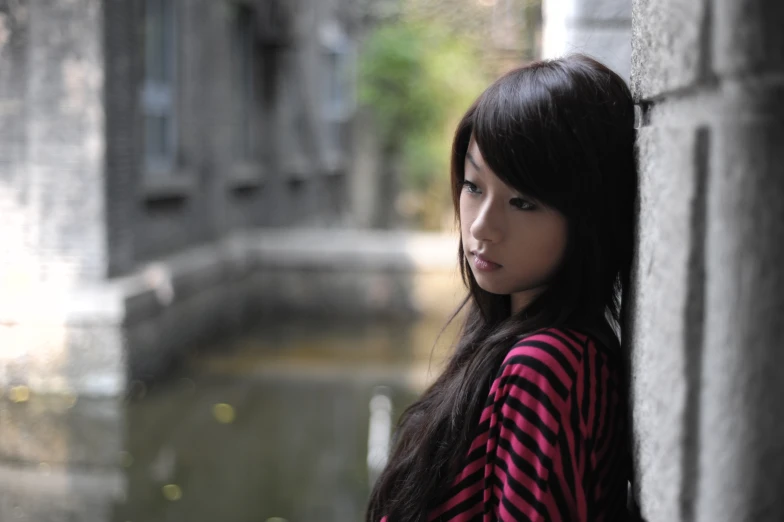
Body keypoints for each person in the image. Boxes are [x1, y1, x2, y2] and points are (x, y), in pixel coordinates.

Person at [366, 53, 637, 522]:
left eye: (522, 202)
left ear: (590, 214)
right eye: (473, 186)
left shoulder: (547, 367)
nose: (483, 227)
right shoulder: (510, 334)